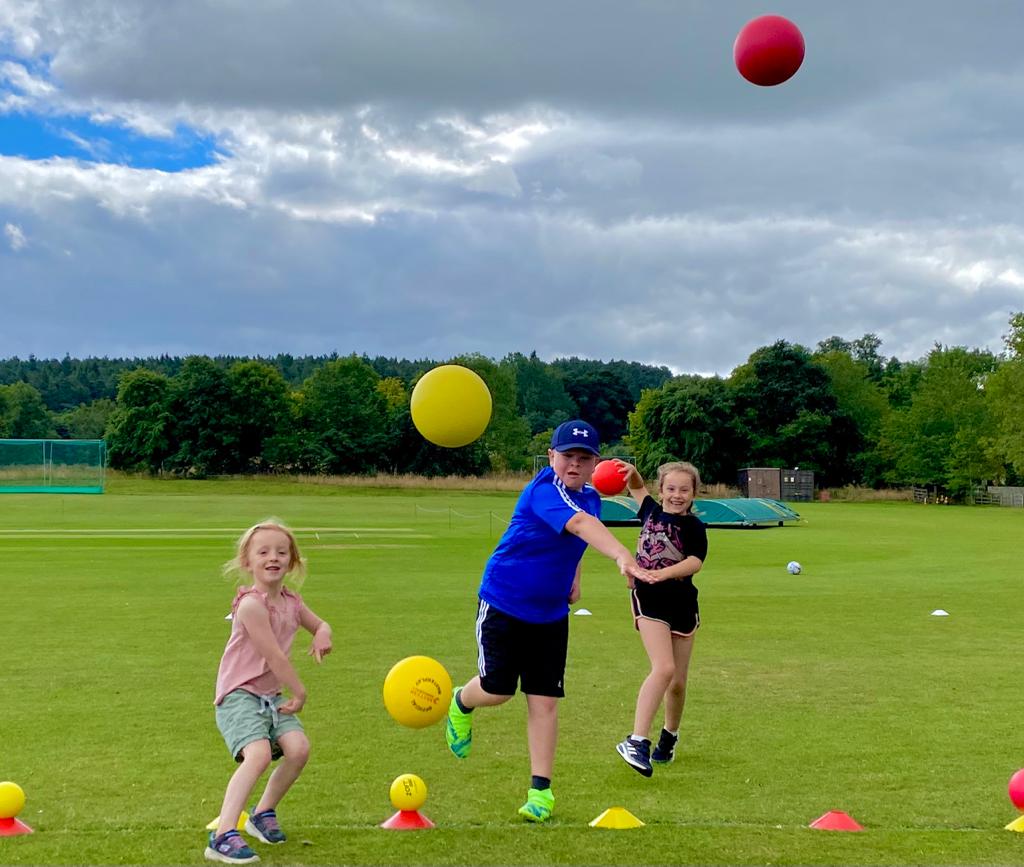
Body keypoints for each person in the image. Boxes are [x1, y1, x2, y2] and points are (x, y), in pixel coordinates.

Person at [444, 420, 656, 822]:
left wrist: (574, 579)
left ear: (594, 463)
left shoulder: (590, 498)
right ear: (551, 457)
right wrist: (621, 556)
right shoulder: (544, 491)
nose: (574, 465)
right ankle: (460, 701)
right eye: (567, 456)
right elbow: (578, 525)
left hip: (551, 614)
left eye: (584, 458)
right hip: (504, 602)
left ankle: (540, 793)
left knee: (544, 701)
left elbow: (576, 539)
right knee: (498, 689)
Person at [205, 520, 333, 864]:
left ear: (292, 560)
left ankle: (263, 814)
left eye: (281, 551)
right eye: (263, 552)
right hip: (239, 694)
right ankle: (222, 836)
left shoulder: (291, 601)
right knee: (259, 754)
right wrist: (300, 691)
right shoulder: (250, 605)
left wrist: (323, 633)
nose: (272, 557)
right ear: (248, 562)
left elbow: (319, 623)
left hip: (270, 696)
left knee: (299, 749)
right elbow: (273, 655)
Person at [612, 460, 708, 778]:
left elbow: (695, 561)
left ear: (694, 493)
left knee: (678, 683)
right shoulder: (651, 511)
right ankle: (636, 741)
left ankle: (669, 736)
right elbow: (636, 486)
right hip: (648, 598)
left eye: (684, 489)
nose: (676, 495)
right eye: (670, 488)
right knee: (663, 668)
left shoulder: (694, 527)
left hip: (681, 602)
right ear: (661, 489)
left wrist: (663, 573)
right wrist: (631, 473)